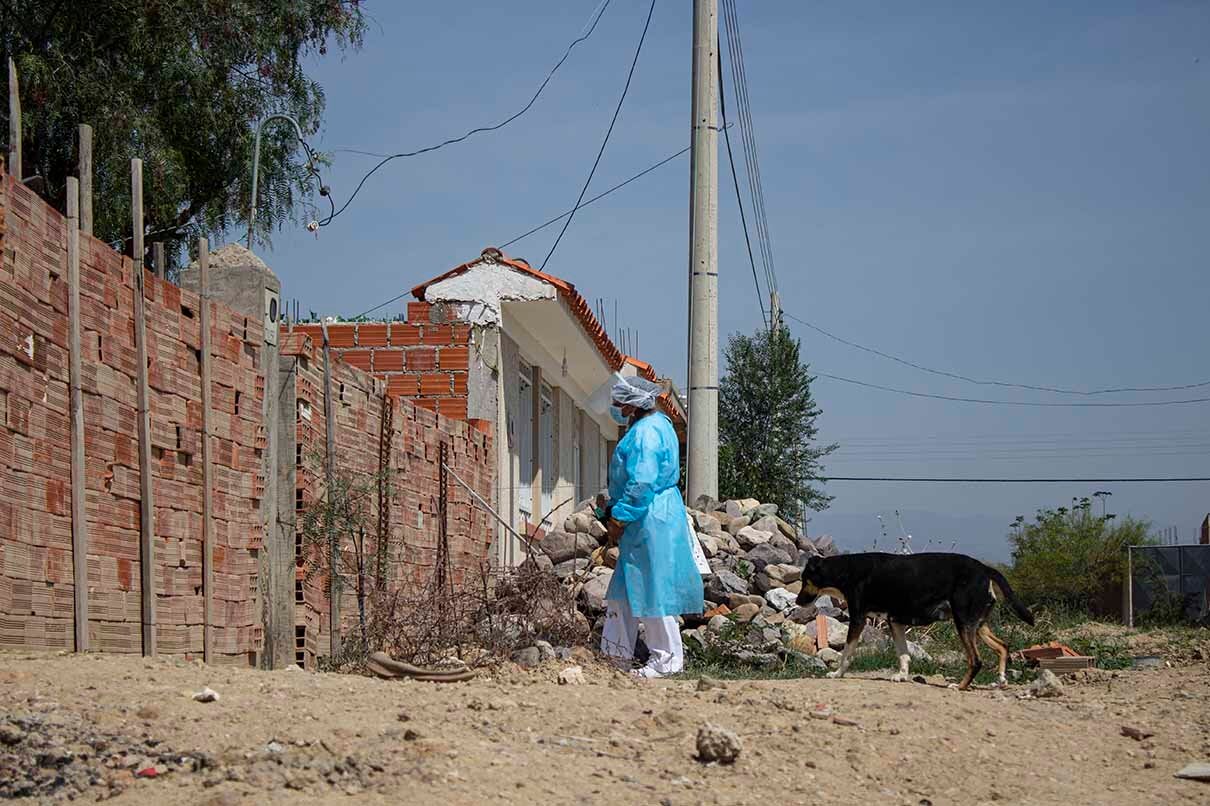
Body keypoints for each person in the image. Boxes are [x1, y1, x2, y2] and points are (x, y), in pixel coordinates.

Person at [599, 375, 704, 678]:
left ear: (633, 403)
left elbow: (641, 480)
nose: (616, 406)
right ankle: (613, 655)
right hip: (648, 516)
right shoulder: (659, 425)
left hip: (648, 516)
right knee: (624, 590)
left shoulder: (645, 433)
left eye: (620, 400)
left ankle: (666, 661)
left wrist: (619, 516)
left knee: (653, 587)